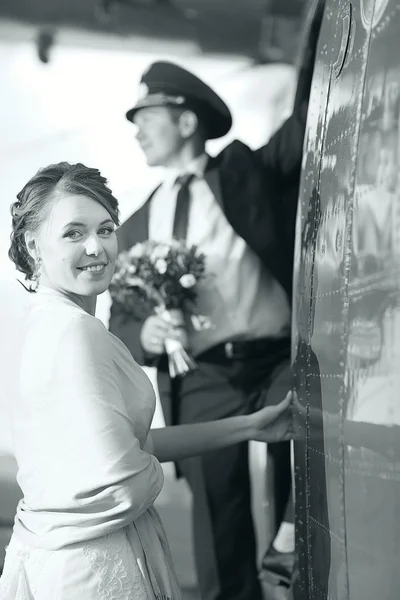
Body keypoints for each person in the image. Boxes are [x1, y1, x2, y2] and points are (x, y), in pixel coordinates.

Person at [108, 3, 324, 599]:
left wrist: (324, 20)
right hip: (200, 379)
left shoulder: (245, 171)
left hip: (276, 362)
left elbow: (309, 117)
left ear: (185, 121)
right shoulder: (135, 224)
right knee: (218, 522)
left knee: (300, 497)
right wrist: (144, 338)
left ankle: (296, 589)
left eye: (146, 116)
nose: (137, 129)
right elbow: (119, 324)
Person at [0, 162, 292, 600]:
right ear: (33, 244)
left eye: (105, 229)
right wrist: (140, 475)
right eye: (74, 233)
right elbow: (119, 482)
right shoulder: (76, 332)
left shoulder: (46, 322)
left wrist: (251, 426)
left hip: (55, 558)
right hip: (96, 572)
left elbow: (128, 451)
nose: (97, 247)